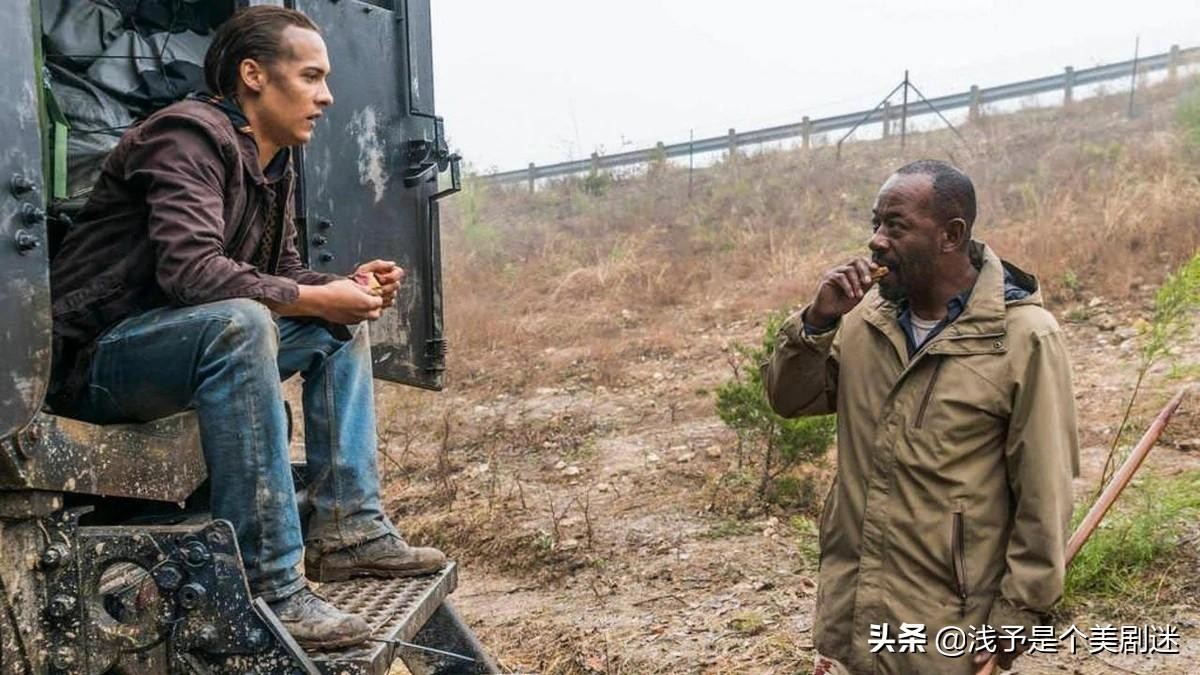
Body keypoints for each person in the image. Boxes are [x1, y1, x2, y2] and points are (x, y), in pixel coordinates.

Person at [49, 6, 444, 650]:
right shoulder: (183, 138)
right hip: (97, 361)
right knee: (241, 322)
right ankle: (268, 586)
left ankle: (350, 529)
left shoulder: (272, 160)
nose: (326, 96)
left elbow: (280, 273)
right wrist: (312, 297)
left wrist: (344, 289)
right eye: (311, 76)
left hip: (178, 347)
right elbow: (191, 273)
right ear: (254, 75)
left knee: (340, 326)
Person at [763, 160, 1080, 674]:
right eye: (875, 223)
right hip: (854, 610)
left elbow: (1044, 492)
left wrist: (1019, 612)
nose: (876, 241)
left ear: (951, 235)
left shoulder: (1024, 338)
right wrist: (816, 324)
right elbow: (790, 400)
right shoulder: (863, 322)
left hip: (947, 624)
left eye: (896, 226)